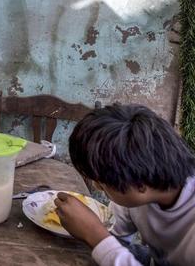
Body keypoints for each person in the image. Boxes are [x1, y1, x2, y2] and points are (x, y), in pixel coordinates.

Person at [54, 104, 195, 266]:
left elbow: (103, 240)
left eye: (102, 183)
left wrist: (94, 234)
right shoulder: (142, 179)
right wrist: (94, 229)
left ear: (140, 185)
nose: (96, 186)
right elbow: (116, 236)